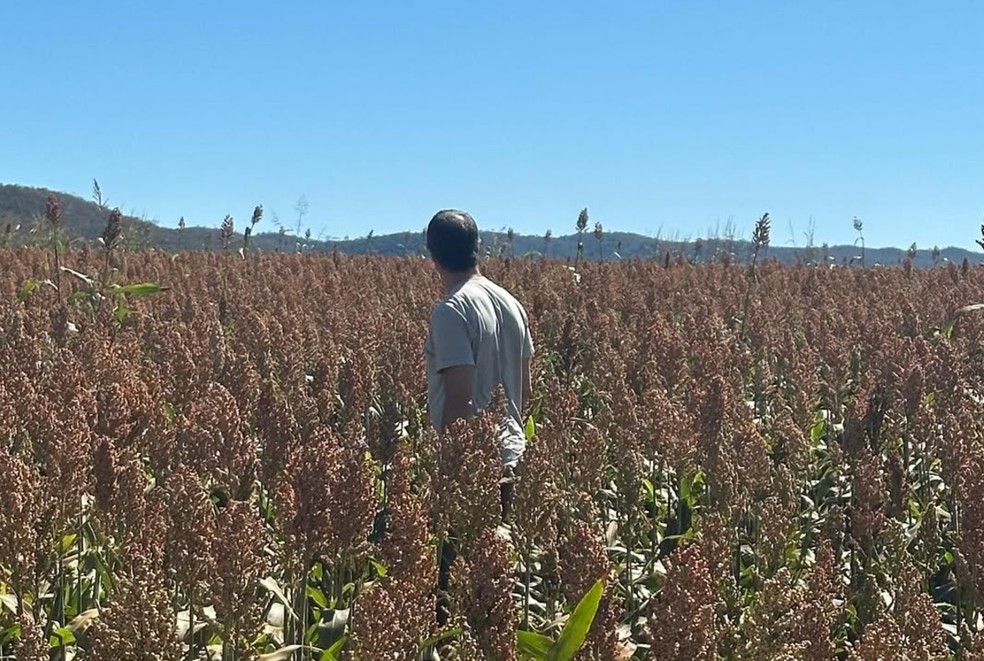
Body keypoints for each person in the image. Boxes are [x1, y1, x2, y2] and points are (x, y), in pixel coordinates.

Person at [424, 208, 534, 516]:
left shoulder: (451, 310)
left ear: (432, 255)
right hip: (513, 454)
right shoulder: (512, 303)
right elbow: (524, 391)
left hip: (475, 468)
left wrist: (452, 471)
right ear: (479, 248)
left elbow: (460, 399)